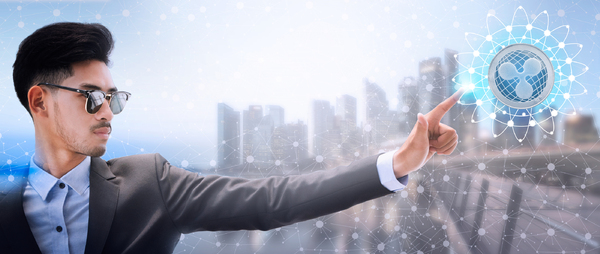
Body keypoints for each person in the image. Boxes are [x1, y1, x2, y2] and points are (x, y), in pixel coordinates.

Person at [0, 22, 463, 254]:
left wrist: (396, 164)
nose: (107, 112)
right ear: (39, 102)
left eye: (113, 98)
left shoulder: (149, 183)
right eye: (90, 97)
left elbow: (274, 199)